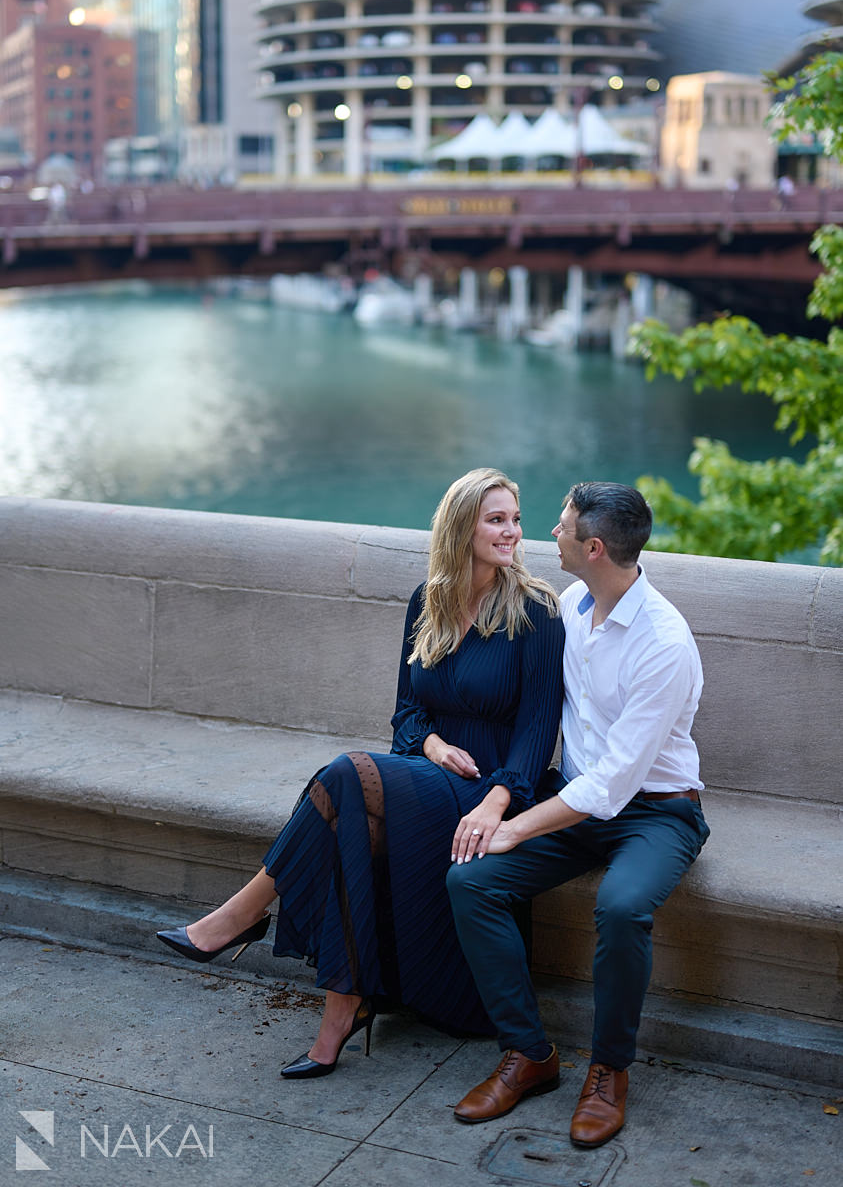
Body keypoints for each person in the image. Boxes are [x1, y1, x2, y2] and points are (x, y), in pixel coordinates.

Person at [157, 468, 564, 1077]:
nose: (512, 532)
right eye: (496, 519)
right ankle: (338, 1012)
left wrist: (496, 800)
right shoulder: (428, 600)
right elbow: (406, 711)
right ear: (461, 528)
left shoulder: (536, 611)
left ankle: (239, 919)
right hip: (428, 776)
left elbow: (539, 730)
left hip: (492, 790)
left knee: (344, 773)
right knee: (350, 819)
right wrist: (428, 745)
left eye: (515, 518)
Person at [447, 481, 710, 1147]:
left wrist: (514, 827)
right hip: (575, 803)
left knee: (621, 909)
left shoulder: (664, 644)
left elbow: (616, 781)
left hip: (655, 812)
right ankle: (527, 1054)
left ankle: (608, 1072)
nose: (549, 536)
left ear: (592, 547)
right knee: (471, 880)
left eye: (560, 529)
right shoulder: (568, 604)